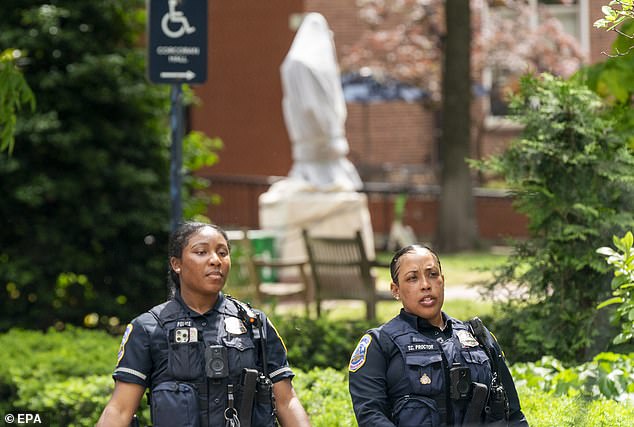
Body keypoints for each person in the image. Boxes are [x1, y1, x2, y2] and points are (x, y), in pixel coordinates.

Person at [97, 221, 311, 427]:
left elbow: (286, 401)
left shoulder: (254, 323)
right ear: (176, 264)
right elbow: (120, 410)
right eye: (201, 252)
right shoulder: (149, 328)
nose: (215, 260)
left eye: (222, 253)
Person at [348, 244, 529, 426]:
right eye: (412, 278)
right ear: (395, 289)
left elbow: (513, 414)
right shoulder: (380, 344)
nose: (426, 285)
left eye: (432, 275)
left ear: (442, 280)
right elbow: (371, 416)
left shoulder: (478, 337)